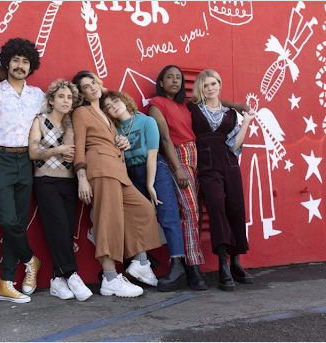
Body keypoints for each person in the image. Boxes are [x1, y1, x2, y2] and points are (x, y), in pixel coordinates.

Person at [148, 65, 248, 290]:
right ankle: (193, 266)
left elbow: (214, 103)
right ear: (161, 82)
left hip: (199, 158)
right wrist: (179, 168)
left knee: (203, 208)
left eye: (178, 78)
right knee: (191, 211)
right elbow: (165, 139)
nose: (175, 81)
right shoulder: (157, 104)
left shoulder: (186, 105)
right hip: (180, 157)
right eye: (169, 77)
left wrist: (238, 106)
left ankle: (199, 267)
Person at [71, 70, 162, 298]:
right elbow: (80, 145)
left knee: (142, 209)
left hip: (118, 170)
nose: (92, 87)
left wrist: (120, 140)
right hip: (100, 168)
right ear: (81, 94)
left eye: (93, 82)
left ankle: (140, 263)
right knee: (108, 221)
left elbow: (109, 137)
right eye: (85, 86)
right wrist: (82, 177)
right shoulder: (82, 112)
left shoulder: (106, 114)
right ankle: (110, 278)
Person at [101, 90, 187, 292]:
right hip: (130, 173)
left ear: (124, 100)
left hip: (155, 171)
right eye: (109, 106)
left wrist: (150, 185)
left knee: (168, 214)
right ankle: (142, 262)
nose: (114, 106)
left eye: (116, 101)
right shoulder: (113, 129)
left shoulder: (146, 122)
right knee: (135, 217)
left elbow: (152, 155)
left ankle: (177, 265)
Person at [0, 38, 44, 304]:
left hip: (26, 162)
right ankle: (30, 259)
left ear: (31, 67)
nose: (20, 66)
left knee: (18, 222)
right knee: (8, 220)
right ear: (6, 62)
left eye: (25, 62)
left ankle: (5, 284)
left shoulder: (38, 96)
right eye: (16, 60)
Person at [188, 69, 255, 291]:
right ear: (201, 87)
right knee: (216, 209)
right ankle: (222, 265)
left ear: (220, 84)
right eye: (206, 85)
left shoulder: (230, 114)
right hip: (207, 167)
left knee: (235, 210)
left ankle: (236, 262)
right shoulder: (193, 110)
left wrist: (245, 121)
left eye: (214, 83)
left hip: (230, 164)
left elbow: (235, 146)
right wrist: (237, 104)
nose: (211, 88)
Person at [28, 79, 93, 301]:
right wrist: (60, 149)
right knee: (58, 227)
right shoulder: (40, 120)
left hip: (69, 182)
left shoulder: (72, 124)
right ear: (51, 100)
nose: (66, 101)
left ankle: (57, 279)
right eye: (61, 97)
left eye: (69, 97)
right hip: (46, 181)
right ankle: (72, 274)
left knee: (64, 231)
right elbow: (34, 152)